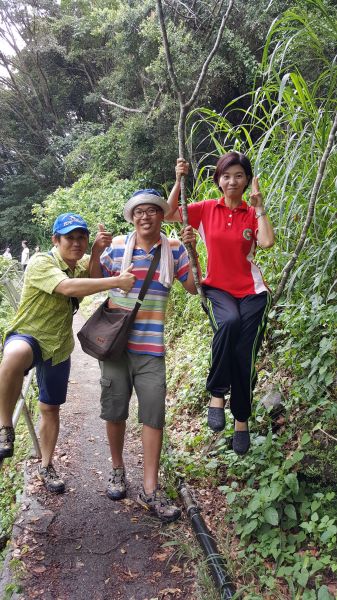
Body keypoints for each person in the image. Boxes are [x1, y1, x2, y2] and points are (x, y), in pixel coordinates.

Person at [0, 213, 135, 493]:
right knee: (13, 356)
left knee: (50, 408)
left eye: (81, 238)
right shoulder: (41, 262)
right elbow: (67, 288)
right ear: (55, 240)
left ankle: (46, 465)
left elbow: (94, 273)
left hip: (59, 346)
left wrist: (97, 251)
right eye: (69, 238)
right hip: (30, 335)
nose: (76, 243)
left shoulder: (82, 263)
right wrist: (116, 282)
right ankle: (5, 428)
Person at [90, 190, 197, 523]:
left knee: (153, 414)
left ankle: (150, 489)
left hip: (151, 350)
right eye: (139, 212)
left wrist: (194, 250)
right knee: (115, 410)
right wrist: (96, 250)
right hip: (115, 348)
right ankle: (118, 470)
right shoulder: (119, 246)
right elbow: (94, 280)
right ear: (132, 217)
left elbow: (195, 286)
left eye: (152, 211)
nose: (145, 217)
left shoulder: (174, 249)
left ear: (161, 215)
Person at [166, 152, 275, 455]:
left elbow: (266, 243)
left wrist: (260, 206)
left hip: (252, 292)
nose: (232, 181)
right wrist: (178, 179)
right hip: (217, 289)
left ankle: (241, 421)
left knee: (245, 355)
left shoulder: (252, 212)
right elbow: (169, 212)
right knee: (228, 323)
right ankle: (217, 394)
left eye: (239, 175)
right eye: (226, 176)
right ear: (218, 180)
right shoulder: (205, 209)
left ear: (247, 179)